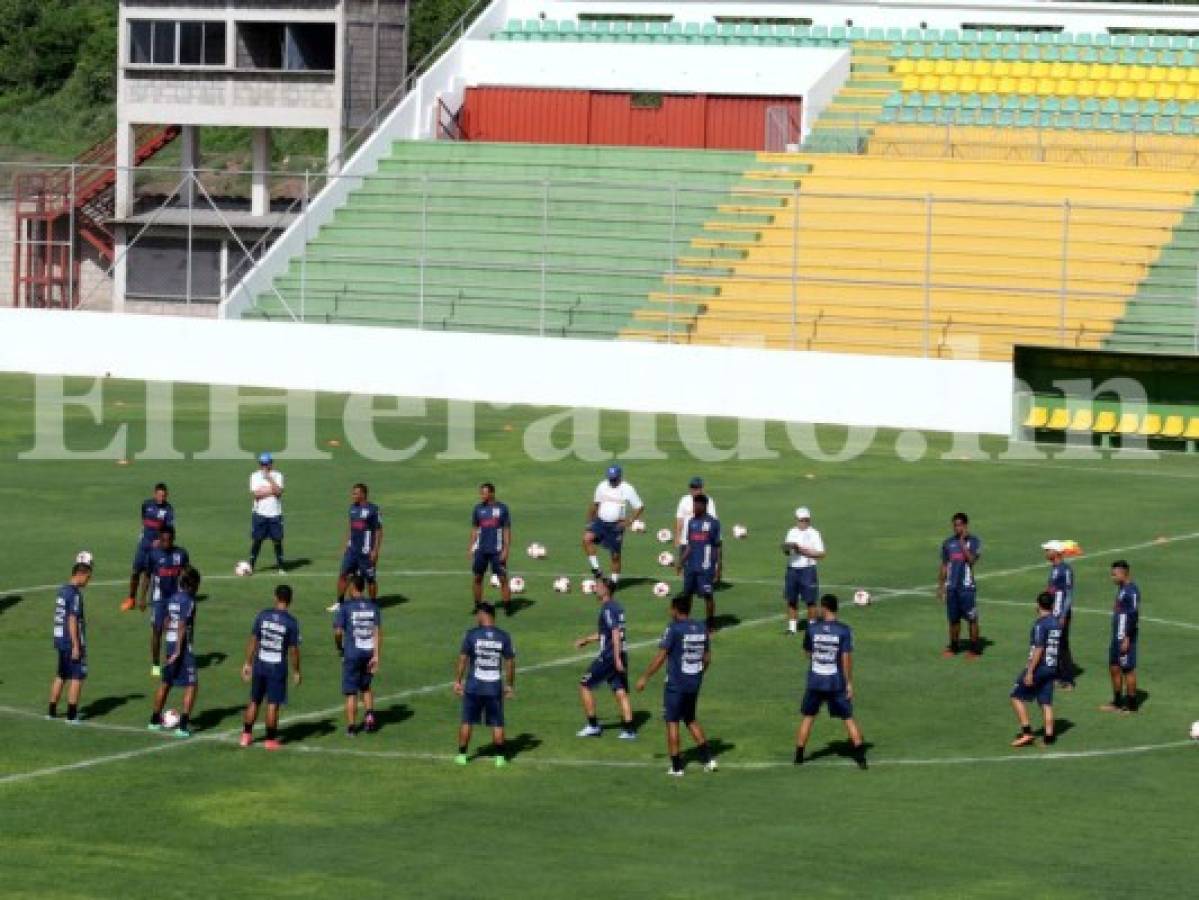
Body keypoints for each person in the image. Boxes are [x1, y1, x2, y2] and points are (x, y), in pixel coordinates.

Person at [635, 594, 716, 777]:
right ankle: (709, 759)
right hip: (694, 682)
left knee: (672, 722)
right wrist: (699, 673)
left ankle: (677, 767)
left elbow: (661, 656)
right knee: (690, 719)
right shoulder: (701, 628)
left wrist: (645, 677)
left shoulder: (674, 629)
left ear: (675, 610)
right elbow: (708, 658)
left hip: (676, 684)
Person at [795, 595, 867, 769]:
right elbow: (846, 659)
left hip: (815, 681)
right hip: (835, 682)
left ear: (825, 608)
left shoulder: (812, 629)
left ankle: (798, 757)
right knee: (848, 718)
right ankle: (861, 760)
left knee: (808, 717)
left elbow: (807, 653)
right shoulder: (844, 630)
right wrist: (849, 682)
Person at [453, 602, 516, 767]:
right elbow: (510, 662)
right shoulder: (504, 636)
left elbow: (462, 660)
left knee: (467, 721)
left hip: (474, 685)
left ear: (483, 614)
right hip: (494, 686)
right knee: (497, 723)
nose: (476, 617)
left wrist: (458, 681)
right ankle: (500, 758)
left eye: (477, 614)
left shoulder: (471, 635)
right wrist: (509, 685)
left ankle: (462, 756)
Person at [240, 585, 302, 750]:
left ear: (276, 597)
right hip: (277, 666)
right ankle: (270, 739)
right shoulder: (291, 622)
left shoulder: (263, 615)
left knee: (254, 700)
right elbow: (294, 650)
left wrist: (247, 662)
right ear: (290, 600)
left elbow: (254, 640)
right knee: (273, 703)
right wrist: (296, 671)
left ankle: (246, 736)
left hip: (260, 663)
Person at [575, 578, 637, 739]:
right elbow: (607, 633)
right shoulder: (617, 607)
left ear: (606, 590)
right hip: (620, 653)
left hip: (610, 656)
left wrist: (615, 658)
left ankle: (593, 726)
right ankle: (629, 730)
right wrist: (587, 640)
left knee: (584, 685)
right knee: (620, 691)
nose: (595, 588)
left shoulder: (608, 609)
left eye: (598, 586)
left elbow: (615, 633)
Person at [149, 566, 201, 738]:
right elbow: (182, 625)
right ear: (192, 584)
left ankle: (154, 720)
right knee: (191, 684)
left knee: (166, 682)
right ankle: (183, 726)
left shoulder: (173, 599)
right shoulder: (189, 600)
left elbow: (166, 621)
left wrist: (170, 644)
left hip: (170, 643)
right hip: (183, 647)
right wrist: (179, 649)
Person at [1010, 592, 1063, 747]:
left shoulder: (1041, 624)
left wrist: (1030, 671)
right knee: (1045, 702)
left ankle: (1027, 732)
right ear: (1052, 605)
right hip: (1052, 667)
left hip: (1040, 667)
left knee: (1016, 696)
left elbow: (1039, 648)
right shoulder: (1056, 622)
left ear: (1038, 605)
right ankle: (1049, 737)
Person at [333, 575, 381, 736]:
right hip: (369, 652)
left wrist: (339, 646)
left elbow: (338, 631)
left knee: (351, 692)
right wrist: (376, 655)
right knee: (366, 687)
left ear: (353, 587)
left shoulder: (345, 607)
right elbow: (377, 632)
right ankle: (369, 715)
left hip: (352, 652)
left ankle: (352, 728)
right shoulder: (373, 606)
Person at [582, 464, 644, 584]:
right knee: (586, 539)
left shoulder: (627, 489)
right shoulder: (602, 486)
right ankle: (596, 570)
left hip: (616, 526)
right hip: (600, 522)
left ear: (620, 477)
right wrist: (589, 521)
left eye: (614, 479)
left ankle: (614, 583)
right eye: (610, 478)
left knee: (615, 556)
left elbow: (639, 507)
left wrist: (629, 521)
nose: (612, 481)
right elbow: (595, 504)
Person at [49, 561, 93, 723]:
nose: (88, 581)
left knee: (61, 674)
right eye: (88, 577)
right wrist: (76, 645)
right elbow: (72, 619)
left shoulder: (63, 590)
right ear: (80, 574)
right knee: (77, 676)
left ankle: (52, 711)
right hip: (70, 640)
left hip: (60, 639)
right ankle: (72, 715)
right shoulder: (74, 594)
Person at [331, 483, 383, 612]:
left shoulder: (373, 510)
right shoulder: (352, 508)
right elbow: (350, 528)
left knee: (370, 579)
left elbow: (378, 531)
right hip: (352, 550)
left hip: (366, 552)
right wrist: (345, 545)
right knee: (343, 575)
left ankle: (372, 604)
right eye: (353, 493)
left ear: (363, 494)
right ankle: (340, 603)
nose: (352, 495)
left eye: (355, 493)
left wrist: (375, 550)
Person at [938, 512, 982, 657]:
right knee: (953, 620)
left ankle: (975, 649)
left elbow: (971, 560)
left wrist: (963, 543)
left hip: (967, 589)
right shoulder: (948, 543)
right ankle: (954, 646)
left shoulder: (974, 541)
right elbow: (944, 565)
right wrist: (941, 586)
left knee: (972, 619)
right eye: (955, 525)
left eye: (959, 525)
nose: (957, 528)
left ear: (965, 525)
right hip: (952, 588)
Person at [123, 482, 173, 612]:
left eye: (164, 495)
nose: (162, 498)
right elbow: (143, 519)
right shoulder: (146, 504)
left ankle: (142, 599)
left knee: (147, 573)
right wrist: (142, 532)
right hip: (143, 543)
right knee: (135, 571)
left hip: (155, 546)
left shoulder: (168, 510)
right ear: (154, 494)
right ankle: (131, 598)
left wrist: (160, 541)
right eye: (159, 495)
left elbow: (169, 529)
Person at [147, 525, 189, 678]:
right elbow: (147, 576)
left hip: (176, 598)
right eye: (163, 540)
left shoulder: (181, 554)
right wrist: (142, 597)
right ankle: (156, 664)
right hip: (159, 599)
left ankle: (176, 659)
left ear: (173, 538)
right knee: (157, 630)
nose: (166, 543)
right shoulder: (154, 555)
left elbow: (186, 574)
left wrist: (187, 595)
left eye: (169, 540)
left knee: (179, 629)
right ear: (159, 539)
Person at [1100, 560, 1141, 714]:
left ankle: (1131, 706)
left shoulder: (1132, 591)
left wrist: (1127, 637)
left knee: (1128, 669)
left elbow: (1134, 614)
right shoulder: (1122, 589)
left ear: (1124, 573)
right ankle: (1117, 702)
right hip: (1117, 636)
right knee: (1114, 667)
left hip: (1124, 637)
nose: (1113, 577)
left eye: (1114, 574)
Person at [677, 494, 722, 632]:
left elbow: (717, 546)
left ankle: (710, 623)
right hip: (691, 566)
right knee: (687, 595)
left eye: (697, 505)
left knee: (708, 596)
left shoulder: (713, 523)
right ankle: (685, 621)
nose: (694, 507)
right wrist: (681, 561)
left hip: (706, 566)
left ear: (704, 505)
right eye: (694, 505)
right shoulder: (691, 522)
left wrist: (719, 567)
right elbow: (690, 545)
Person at [781, 506, 825, 635]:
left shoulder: (814, 533)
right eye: (801, 520)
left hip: (808, 569)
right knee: (791, 599)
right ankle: (792, 628)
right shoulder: (791, 532)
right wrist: (786, 549)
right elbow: (787, 551)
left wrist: (803, 551)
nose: (803, 523)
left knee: (810, 600)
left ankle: (812, 628)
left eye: (806, 520)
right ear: (796, 519)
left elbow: (821, 554)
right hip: (792, 569)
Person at [469, 482, 512, 613]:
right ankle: (477, 606)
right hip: (481, 550)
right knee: (477, 577)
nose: (481, 495)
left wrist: (506, 549)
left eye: (484, 493)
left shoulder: (502, 509)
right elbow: (475, 529)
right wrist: (471, 547)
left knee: (503, 578)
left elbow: (506, 530)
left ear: (492, 493)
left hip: (497, 550)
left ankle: (507, 607)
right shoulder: (478, 509)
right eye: (481, 493)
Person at [1043, 540, 1076, 690]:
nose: (1046, 553)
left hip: (1060, 614)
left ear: (1056, 552)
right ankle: (1057, 676)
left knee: (1062, 645)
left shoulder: (1065, 570)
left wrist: (1063, 615)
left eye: (1048, 550)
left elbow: (1069, 594)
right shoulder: (1055, 568)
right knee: (1053, 644)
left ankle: (1068, 680)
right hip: (1052, 613)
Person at [675, 476, 720, 582]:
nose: (694, 490)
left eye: (696, 488)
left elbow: (712, 521)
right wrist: (677, 536)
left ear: (701, 489)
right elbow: (679, 519)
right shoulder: (684, 500)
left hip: (701, 539)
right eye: (692, 488)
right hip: (685, 540)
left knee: (700, 565)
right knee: (685, 566)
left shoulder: (708, 501)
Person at [248, 452, 285, 573]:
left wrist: (269, 480)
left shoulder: (278, 475)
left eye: (266, 463)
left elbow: (279, 492)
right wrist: (272, 490)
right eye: (262, 464)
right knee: (257, 540)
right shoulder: (254, 476)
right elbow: (256, 494)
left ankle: (281, 567)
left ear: (271, 463)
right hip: (260, 514)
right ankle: (251, 566)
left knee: (277, 540)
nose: (263, 466)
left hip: (275, 513)